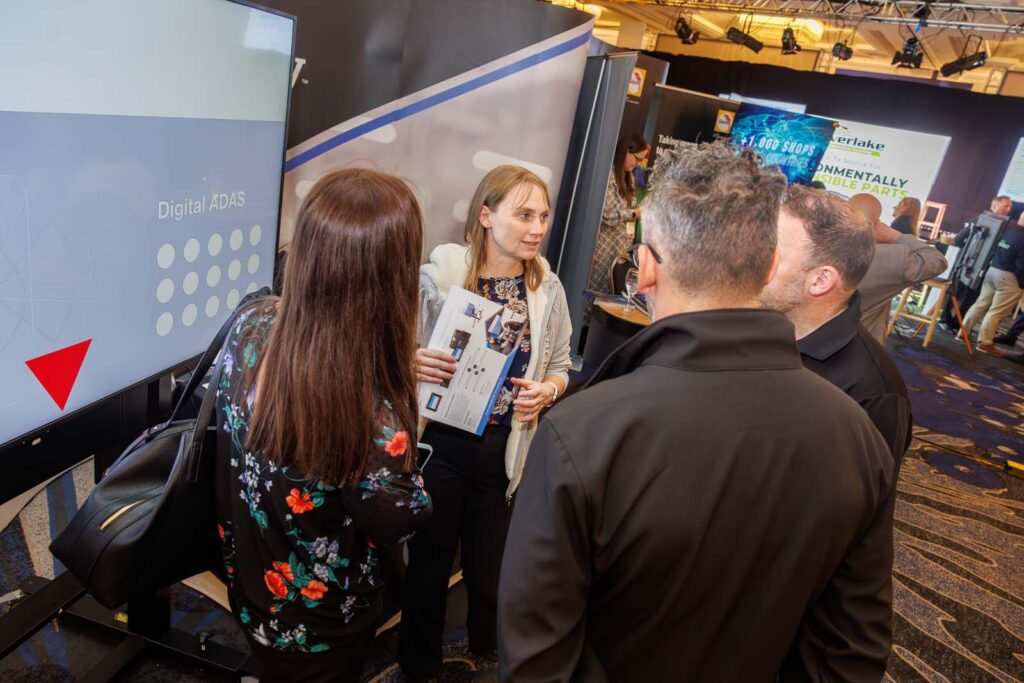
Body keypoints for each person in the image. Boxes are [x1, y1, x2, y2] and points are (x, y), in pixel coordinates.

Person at [498, 143, 895, 682]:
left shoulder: (583, 431)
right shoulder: (858, 436)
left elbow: (536, 659)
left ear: (644, 269)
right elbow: (851, 652)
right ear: (769, 267)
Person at [214, 169, 432, 682]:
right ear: (391, 279)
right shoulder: (372, 416)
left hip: (250, 587)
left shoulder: (252, 322)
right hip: (324, 625)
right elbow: (402, 518)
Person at [399, 165, 572, 680]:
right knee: (429, 567)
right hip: (439, 444)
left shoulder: (547, 289)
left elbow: (561, 365)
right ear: (486, 215)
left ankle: (484, 647)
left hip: (504, 448)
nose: (537, 229)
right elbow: (394, 348)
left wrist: (547, 391)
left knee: (489, 567)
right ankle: (418, 667)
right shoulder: (439, 281)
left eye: (543, 216)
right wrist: (411, 360)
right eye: (524, 215)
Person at [762, 185, 912, 461]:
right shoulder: (753, 329)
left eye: (772, 254)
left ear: (821, 280)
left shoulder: (871, 392)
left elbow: (859, 487)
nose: (753, 262)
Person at [852, 193, 948, 342]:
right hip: (862, 345)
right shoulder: (889, 259)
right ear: (877, 224)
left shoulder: (818, 247)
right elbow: (937, 261)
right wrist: (894, 236)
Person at [587, 132, 647, 299]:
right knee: (595, 296)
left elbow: (629, 207)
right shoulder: (609, 174)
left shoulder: (629, 176)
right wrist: (634, 213)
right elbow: (607, 214)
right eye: (637, 159)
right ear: (627, 151)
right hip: (603, 249)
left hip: (620, 249)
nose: (637, 164)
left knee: (612, 295)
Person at [959, 210, 1024, 356]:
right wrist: (1021, 283)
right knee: (997, 311)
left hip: (992, 270)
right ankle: (985, 343)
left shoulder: (1008, 230)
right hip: (1010, 277)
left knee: (981, 304)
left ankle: (963, 333)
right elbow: (1021, 265)